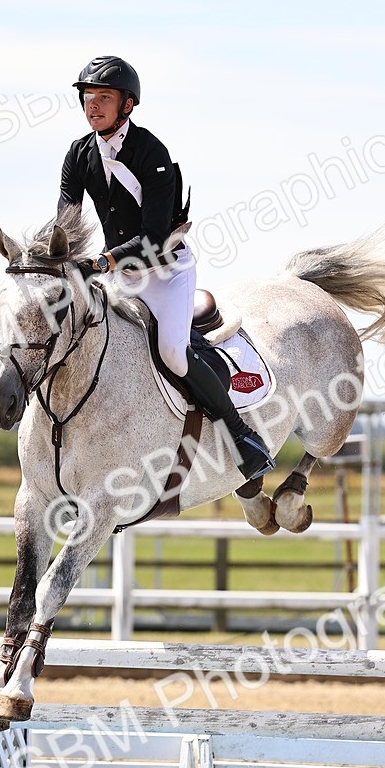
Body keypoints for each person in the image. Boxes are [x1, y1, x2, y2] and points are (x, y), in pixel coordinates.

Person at [58, 55, 275, 482]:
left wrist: (101, 261)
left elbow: (154, 240)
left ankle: (241, 436)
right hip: (119, 274)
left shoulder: (150, 152)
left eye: (104, 97)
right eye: (88, 97)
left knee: (173, 353)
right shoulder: (79, 154)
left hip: (165, 271)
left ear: (127, 105)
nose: (93, 105)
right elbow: (65, 224)